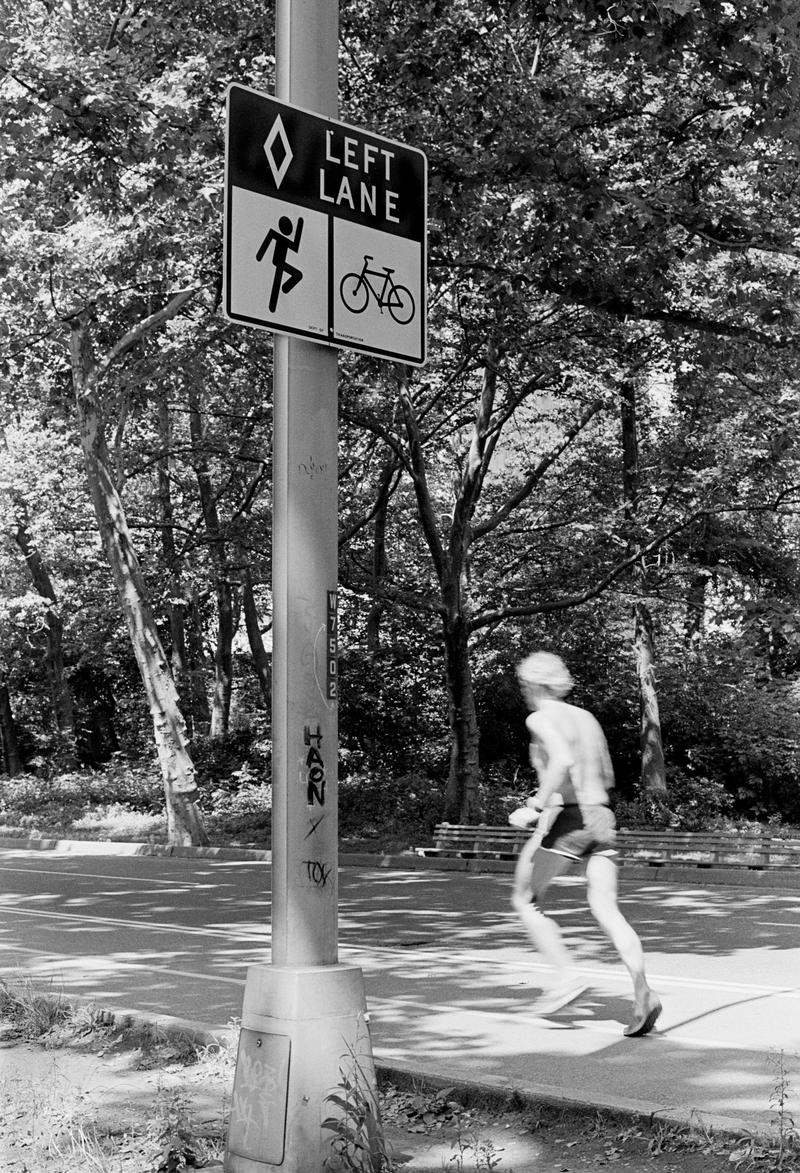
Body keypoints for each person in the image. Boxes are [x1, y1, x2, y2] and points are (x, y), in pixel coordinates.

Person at [510, 651, 662, 1037]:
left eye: (525, 684)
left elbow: (561, 760)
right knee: (606, 908)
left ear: (536, 684)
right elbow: (605, 775)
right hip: (601, 817)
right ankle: (643, 993)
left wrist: (536, 805)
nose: (524, 692)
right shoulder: (587, 719)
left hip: (572, 818)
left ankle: (565, 978)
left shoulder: (540, 717)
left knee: (525, 900)